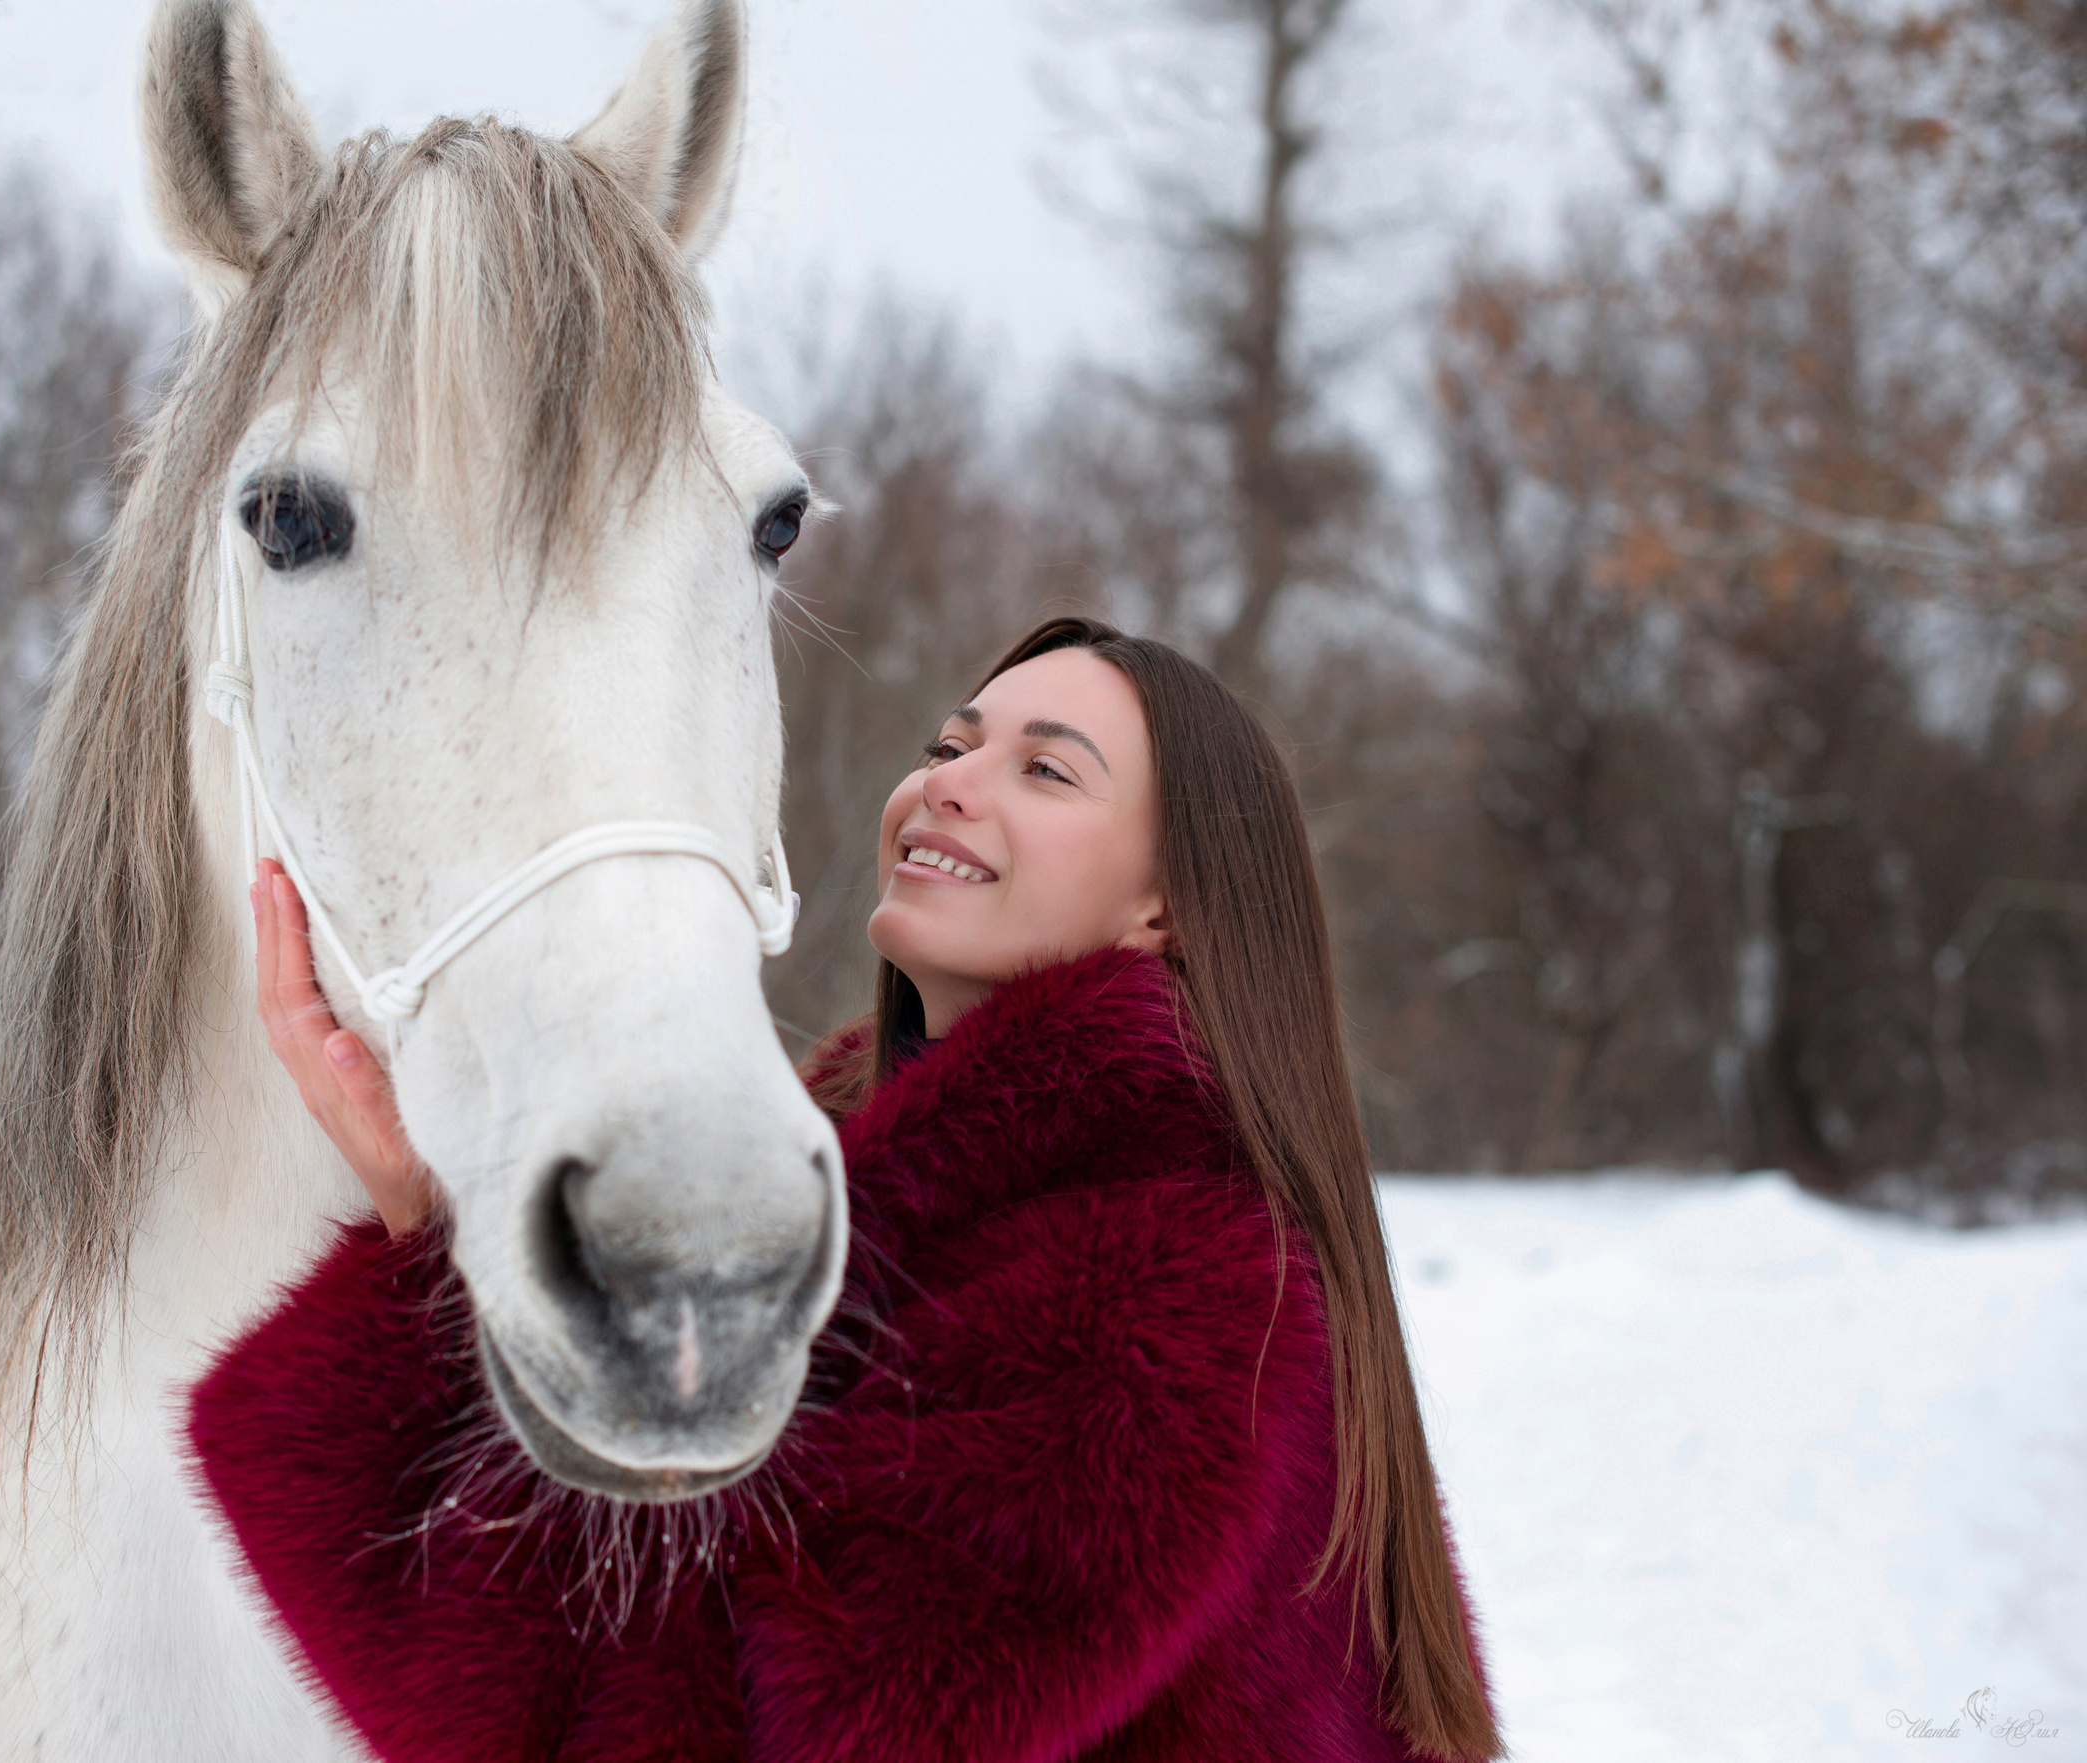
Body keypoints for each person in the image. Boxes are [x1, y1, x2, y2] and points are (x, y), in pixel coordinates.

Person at [185, 616, 1506, 1763]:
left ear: (1163, 908)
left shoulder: (1172, 1287)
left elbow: (715, 1721)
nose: (946, 784)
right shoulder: (912, 1195)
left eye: (1045, 769)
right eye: (949, 745)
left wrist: (442, 1252)